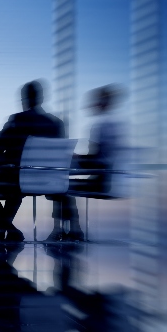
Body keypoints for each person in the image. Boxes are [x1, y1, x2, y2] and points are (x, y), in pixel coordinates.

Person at [0, 81, 64, 242]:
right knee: (15, 183)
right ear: (41, 98)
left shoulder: (19, 119)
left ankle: (5, 228)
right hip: (49, 181)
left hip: (19, 178)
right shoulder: (56, 124)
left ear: (24, 99)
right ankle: (4, 230)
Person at [46, 85, 125, 242]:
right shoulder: (115, 125)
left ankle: (64, 230)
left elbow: (97, 160)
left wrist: (74, 158)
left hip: (103, 180)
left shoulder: (102, 126)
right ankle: (73, 230)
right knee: (62, 185)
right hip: (110, 178)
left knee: (58, 186)